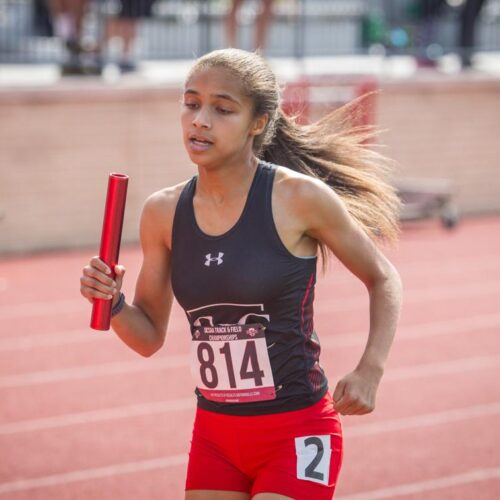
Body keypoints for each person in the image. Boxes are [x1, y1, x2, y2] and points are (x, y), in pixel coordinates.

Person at [80, 48, 402, 499]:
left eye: (222, 109)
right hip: (215, 435)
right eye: (191, 103)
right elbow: (149, 336)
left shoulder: (298, 198)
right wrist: (112, 302)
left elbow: (383, 278)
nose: (200, 121)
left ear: (258, 122)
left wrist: (371, 370)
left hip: (297, 430)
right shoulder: (162, 212)